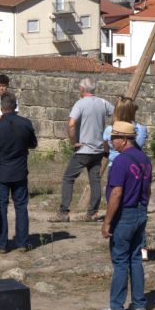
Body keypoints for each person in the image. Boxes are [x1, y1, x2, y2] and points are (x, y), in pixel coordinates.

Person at [100, 119, 154, 310]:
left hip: (124, 213)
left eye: (114, 138)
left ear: (123, 139)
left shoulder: (121, 161)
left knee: (120, 260)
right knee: (136, 258)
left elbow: (116, 193)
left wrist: (107, 221)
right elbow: (147, 189)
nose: (112, 142)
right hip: (141, 211)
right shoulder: (144, 159)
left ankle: (116, 306)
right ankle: (139, 303)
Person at [54, 78, 112, 222]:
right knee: (95, 181)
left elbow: (71, 124)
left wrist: (74, 143)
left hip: (83, 149)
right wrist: (107, 136)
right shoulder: (103, 103)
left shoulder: (80, 104)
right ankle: (92, 213)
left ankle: (64, 212)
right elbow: (118, 114)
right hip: (98, 150)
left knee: (68, 178)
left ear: (82, 89)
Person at [0, 91, 38, 253]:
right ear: (15, 107)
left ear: (1, 108)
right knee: (21, 206)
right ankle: (22, 242)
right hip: (20, 170)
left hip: (1, 171)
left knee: (1, 207)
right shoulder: (26, 123)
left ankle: (1, 243)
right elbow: (33, 144)